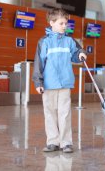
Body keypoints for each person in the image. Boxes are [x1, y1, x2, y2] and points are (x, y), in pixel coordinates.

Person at [33, 8, 87, 153]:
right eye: (61, 23)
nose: (65, 26)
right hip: (49, 85)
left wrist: (81, 54)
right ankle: (52, 142)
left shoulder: (69, 41)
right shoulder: (44, 42)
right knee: (49, 113)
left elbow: (77, 53)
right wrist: (38, 82)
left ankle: (66, 142)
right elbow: (39, 63)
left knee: (65, 113)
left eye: (66, 23)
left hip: (65, 84)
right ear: (52, 23)